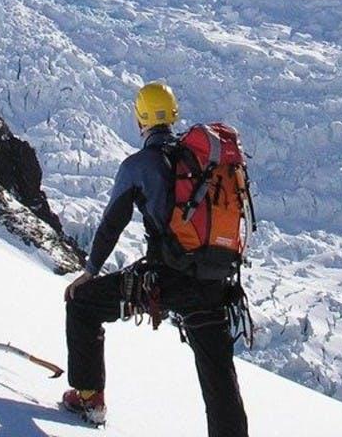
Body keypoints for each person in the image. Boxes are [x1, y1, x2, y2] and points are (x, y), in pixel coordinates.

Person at [62, 81, 249, 436]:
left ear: (139, 121)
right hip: (212, 282)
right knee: (218, 371)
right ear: (173, 115)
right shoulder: (199, 163)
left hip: (163, 282)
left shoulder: (138, 166)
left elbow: (110, 225)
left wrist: (89, 272)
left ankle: (89, 397)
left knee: (82, 304)